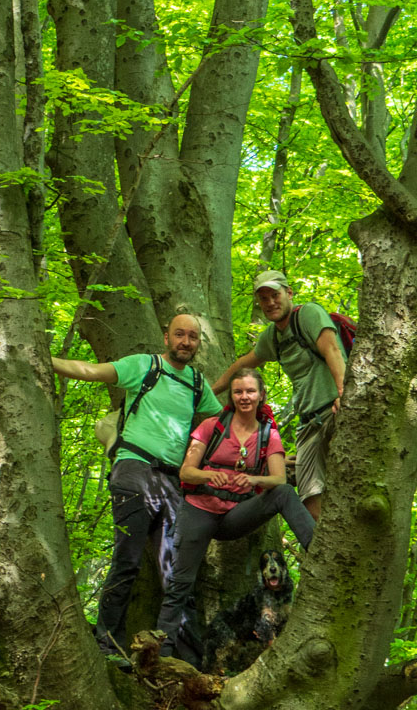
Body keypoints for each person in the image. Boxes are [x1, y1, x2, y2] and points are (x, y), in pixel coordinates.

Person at [52, 314, 222, 665]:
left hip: (172, 482)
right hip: (133, 469)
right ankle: (107, 645)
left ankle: (183, 658)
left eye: (192, 337)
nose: (185, 342)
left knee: (176, 570)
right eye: (179, 335)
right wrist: (44, 360)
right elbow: (91, 370)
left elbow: (227, 427)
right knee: (127, 560)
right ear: (166, 338)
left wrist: (273, 452)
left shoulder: (197, 384)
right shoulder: (145, 366)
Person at [156, 368, 315, 659]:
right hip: (199, 510)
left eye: (250, 391)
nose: (244, 397)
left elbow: (279, 479)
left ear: (260, 395)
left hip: (235, 515)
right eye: (238, 391)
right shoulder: (212, 426)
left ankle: (318, 550)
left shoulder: (268, 434)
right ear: (231, 396)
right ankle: (163, 651)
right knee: (181, 582)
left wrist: (255, 480)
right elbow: (186, 470)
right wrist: (206, 476)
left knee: (284, 493)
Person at [213, 271, 345, 520]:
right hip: (308, 421)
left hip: (334, 409)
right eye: (264, 299)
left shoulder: (308, 314)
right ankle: (325, 550)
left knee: (351, 480)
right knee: (310, 497)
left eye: (275, 295)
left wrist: (344, 394)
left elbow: (332, 349)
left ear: (289, 293)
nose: (270, 302)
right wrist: (211, 391)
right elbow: (244, 364)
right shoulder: (272, 337)